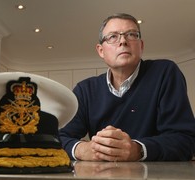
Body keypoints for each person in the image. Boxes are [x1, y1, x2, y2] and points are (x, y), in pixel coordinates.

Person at [59, 13, 195, 161]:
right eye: (112, 37)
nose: (123, 41)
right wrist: (82, 149)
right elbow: (58, 138)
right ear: (101, 51)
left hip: (156, 179)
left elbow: (185, 140)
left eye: (131, 35)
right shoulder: (85, 90)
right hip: (101, 178)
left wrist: (138, 149)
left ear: (141, 46)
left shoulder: (164, 73)